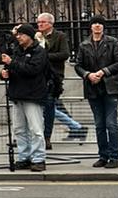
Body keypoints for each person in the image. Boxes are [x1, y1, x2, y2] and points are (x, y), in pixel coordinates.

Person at [74, 21, 118, 168]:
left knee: (111, 123)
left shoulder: (112, 42)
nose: (97, 26)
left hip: (110, 87)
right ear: (90, 27)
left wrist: (103, 71)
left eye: (100, 23)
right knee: (99, 124)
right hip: (93, 88)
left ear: (103, 27)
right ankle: (103, 156)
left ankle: (114, 157)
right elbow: (78, 65)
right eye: (94, 23)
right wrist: (87, 75)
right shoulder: (84, 44)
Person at [34, 12, 87, 148]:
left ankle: (74, 128)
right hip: (37, 76)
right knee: (50, 106)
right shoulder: (36, 37)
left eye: (43, 22)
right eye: (38, 22)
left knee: (50, 105)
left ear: (50, 24)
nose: (39, 24)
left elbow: (64, 54)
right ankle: (76, 128)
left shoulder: (59, 36)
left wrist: (44, 56)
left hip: (53, 77)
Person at [1, 23, 49, 171]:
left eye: (21, 34)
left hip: (33, 95)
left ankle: (38, 158)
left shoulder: (38, 52)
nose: (18, 37)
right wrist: (4, 74)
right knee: (19, 129)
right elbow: (11, 68)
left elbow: (32, 70)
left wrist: (12, 63)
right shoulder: (17, 51)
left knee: (36, 129)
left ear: (29, 36)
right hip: (17, 94)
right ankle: (24, 156)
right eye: (17, 35)